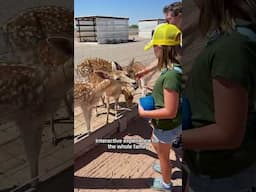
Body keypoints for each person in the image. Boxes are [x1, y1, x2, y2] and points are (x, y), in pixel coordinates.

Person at [182, 0, 256, 191]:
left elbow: (228, 134)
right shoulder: (227, 40)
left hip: (221, 176)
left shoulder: (230, 48)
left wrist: (174, 137)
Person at [138, 23, 182, 191]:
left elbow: (170, 111)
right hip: (172, 126)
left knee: (163, 156)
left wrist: (144, 112)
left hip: (165, 125)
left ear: (161, 48)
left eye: (154, 47)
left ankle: (166, 183)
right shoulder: (175, 67)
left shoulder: (170, 76)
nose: (153, 51)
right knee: (156, 143)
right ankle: (166, 164)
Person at [136, 1, 182, 80]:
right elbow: (166, 57)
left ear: (180, 16)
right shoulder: (176, 35)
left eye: (169, 20)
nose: (167, 24)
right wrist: (146, 71)